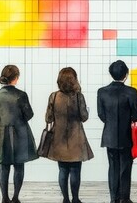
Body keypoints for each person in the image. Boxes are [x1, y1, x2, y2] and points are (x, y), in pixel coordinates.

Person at [0, 65, 38, 203]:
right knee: (19, 166)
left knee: (4, 166)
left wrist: (4, 121)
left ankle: (4, 198)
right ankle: (16, 197)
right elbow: (29, 114)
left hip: (2, 133)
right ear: (16, 78)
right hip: (20, 133)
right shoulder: (21, 95)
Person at [45, 67, 94, 203]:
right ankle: (76, 199)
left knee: (62, 170)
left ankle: (65, 199)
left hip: (58, 138)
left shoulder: (54, 96)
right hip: (76, 138)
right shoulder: (79, 96)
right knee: (75, 170)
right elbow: (84, 117)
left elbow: (48, 118)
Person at [97, 60, 137, 203]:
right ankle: (125, 198)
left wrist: (111, 122)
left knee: (113, 167)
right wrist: (128, 120)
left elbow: (101, 114)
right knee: (126, 167)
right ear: (126, 75)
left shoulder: (102, 92)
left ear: (111, 73)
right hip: (125, 135)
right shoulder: (131, 91)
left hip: (109, 135)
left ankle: (113, 198)